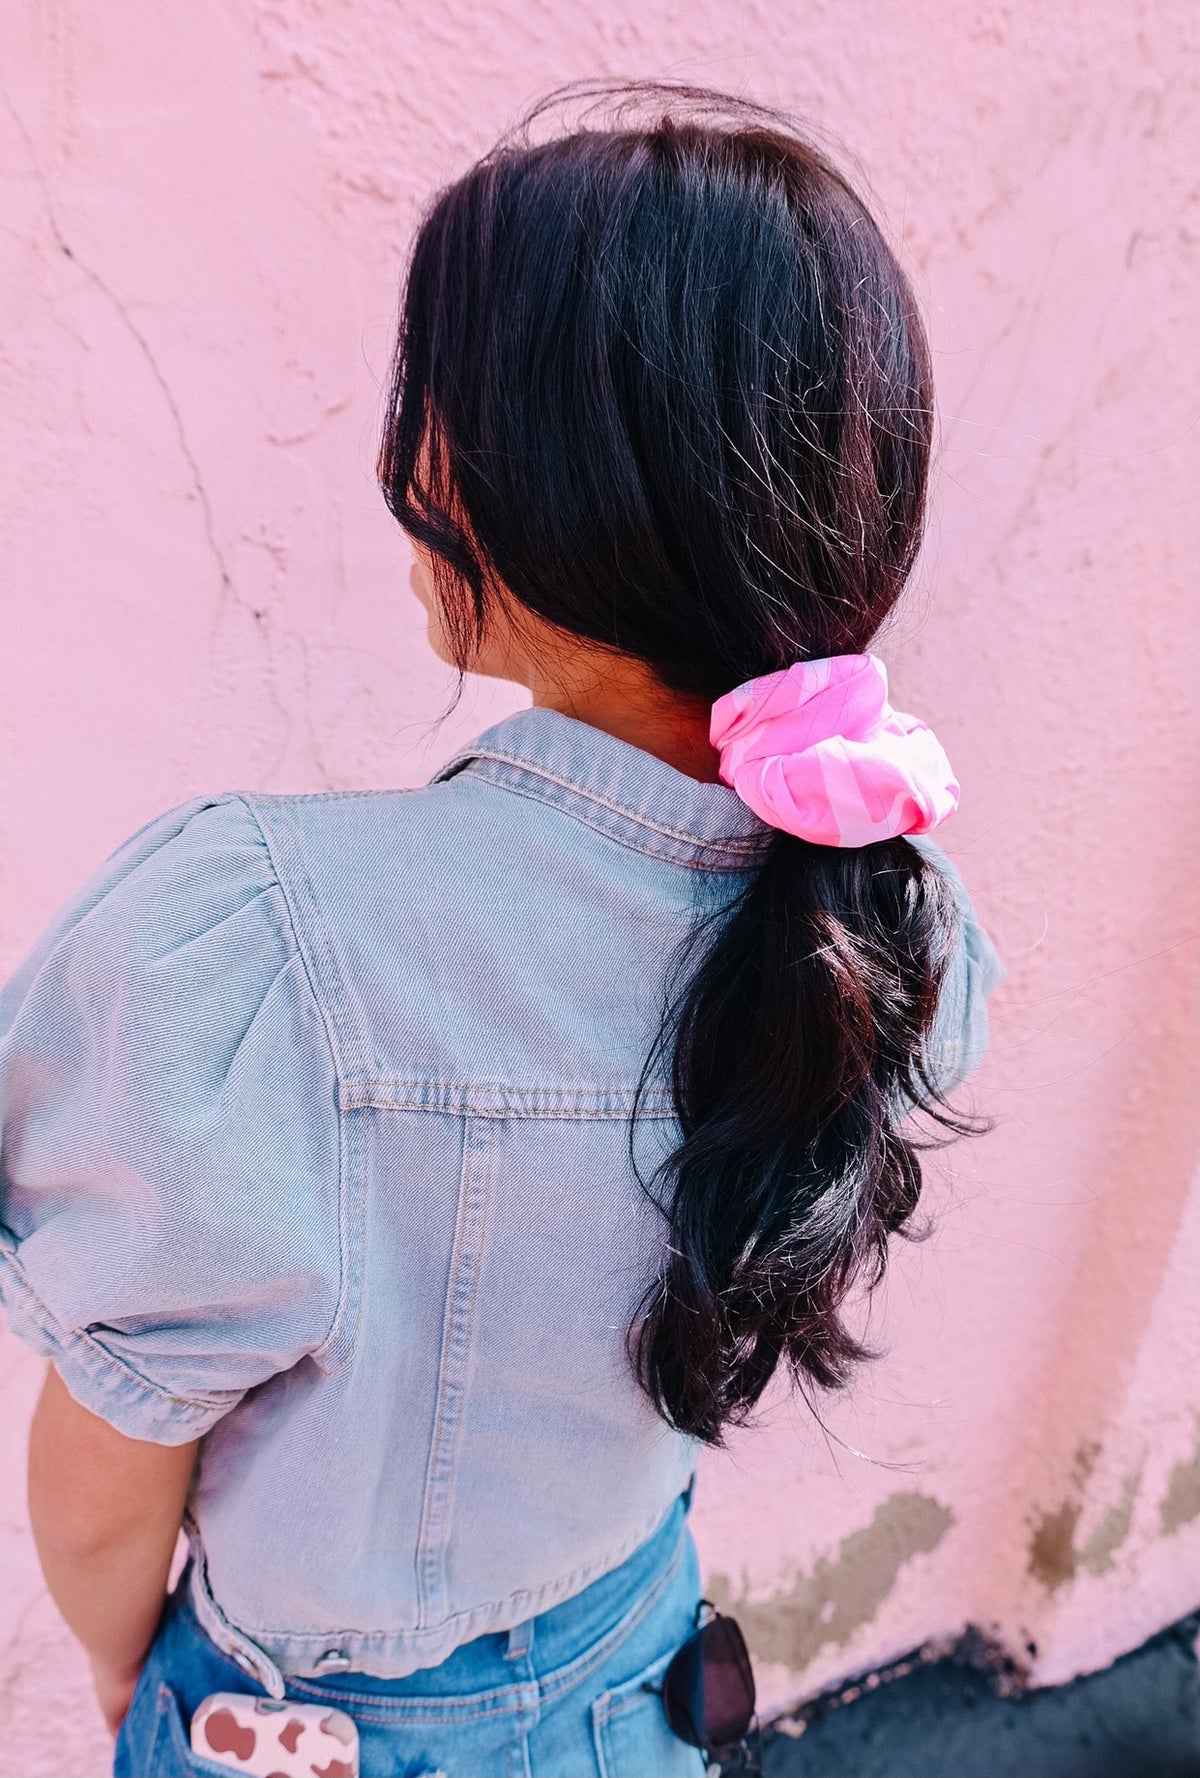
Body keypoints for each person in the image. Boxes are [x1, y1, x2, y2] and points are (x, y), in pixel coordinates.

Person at [0, 84, 1001, 1778]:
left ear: (545, 478)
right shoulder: (889, 919)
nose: (411, 451)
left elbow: (104, 1477)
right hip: (643, 1678)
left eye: (445, 401)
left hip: (308, 1730)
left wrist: (131, 1694)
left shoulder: (260, 951)